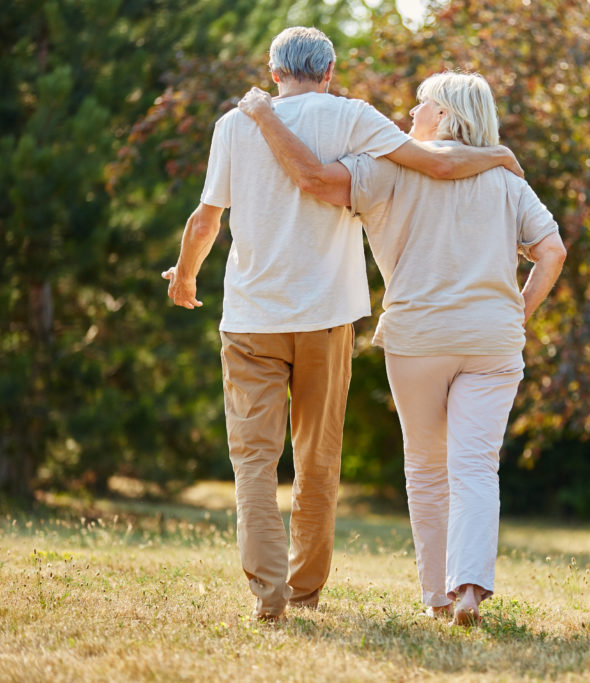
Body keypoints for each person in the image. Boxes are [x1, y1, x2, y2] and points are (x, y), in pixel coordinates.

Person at [161, 28, 523, 623]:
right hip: (327, 318)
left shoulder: (234, 124)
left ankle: (268, 594)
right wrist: (499, 157)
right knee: (318, 460)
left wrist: (185, 276)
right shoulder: (354, 117)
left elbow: (207, 218)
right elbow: (434, 161)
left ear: (274, 72)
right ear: (329, 70)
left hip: (251, 318)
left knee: (253, 461)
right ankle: (304, 590)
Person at [237, 71, 566, 625]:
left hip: (419, 337)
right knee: (477, 467)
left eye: (420, 105)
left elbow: (317, 183)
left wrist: (266, 118)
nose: (409, 114)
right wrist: (518, 311)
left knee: (427, 468)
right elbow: (551, 251)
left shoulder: (385, 167)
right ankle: (468, 590)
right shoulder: (506, 177)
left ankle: (437, 598)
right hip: (493, 339)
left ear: (442, 115)